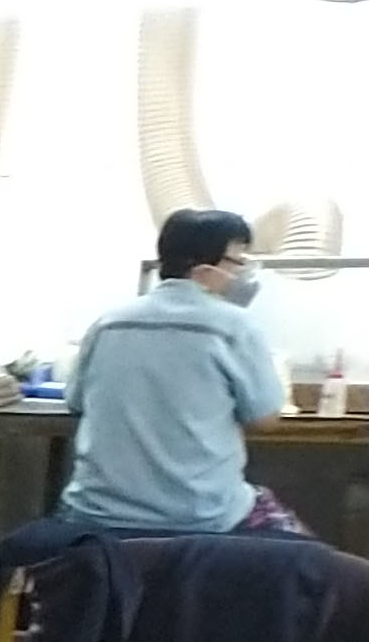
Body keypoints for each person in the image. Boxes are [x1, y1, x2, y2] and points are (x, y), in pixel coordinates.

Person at [62, 209, 300, 535]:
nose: (244, 274)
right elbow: (265, 419)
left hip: (95, 512)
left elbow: (75, 401)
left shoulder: (107, 324)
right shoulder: (234, 326)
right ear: (204, 269)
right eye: (239, 263)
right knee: (309, 555)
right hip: (201, 515)